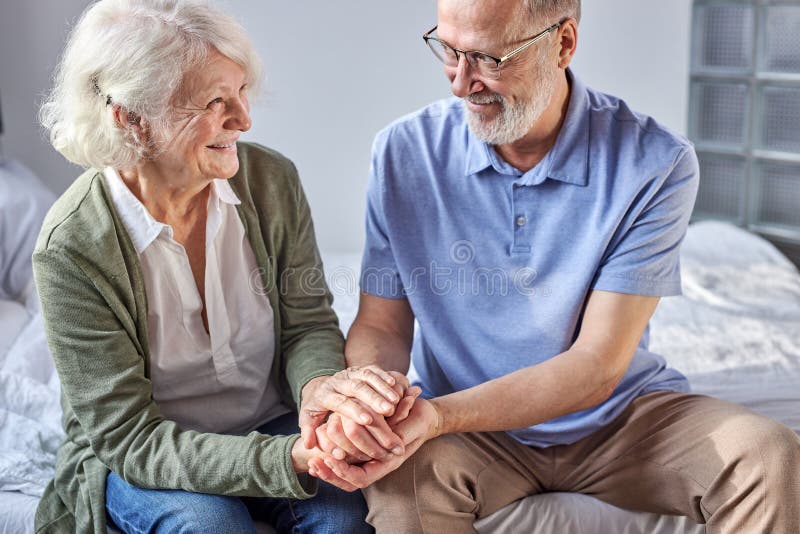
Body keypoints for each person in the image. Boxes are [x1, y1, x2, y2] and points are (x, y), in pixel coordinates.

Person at [305, 0, 800, 532]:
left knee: (769, 457)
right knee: (400, 482)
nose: (460, 83)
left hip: (619, 420)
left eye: (489, 59)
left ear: (563, 43)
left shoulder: (656, 160)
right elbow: (382, 324)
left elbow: (595, 368)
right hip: (466, 433)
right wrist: (368, 396)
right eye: (449, 51)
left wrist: (441, 416)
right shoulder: (404, 151)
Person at [33, 1, 413, 532]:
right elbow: (130, 440)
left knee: (343, 520)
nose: (243, 120)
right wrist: (284, 462)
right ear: (131, 119)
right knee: (212, 524)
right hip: (151, 450)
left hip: (273, 421)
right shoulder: (72, 247)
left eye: (240, 94)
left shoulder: (271, 181)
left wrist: (320, 393)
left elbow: (307, 324)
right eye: (214, 102)